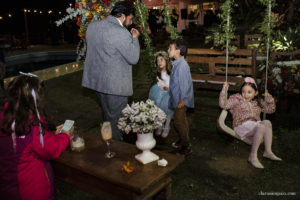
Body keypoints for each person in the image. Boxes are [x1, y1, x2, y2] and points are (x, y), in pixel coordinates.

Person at [0, 73, 73, 199]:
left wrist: (50, 133)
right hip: (31, 190)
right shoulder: (31, 127)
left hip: (7, 185)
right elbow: (51, 149)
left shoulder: (5, 118)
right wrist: (65, 136)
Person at [82, 1, 140, 141]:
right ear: (123, 16)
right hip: (115, 87)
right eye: (130, 19)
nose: (130, 23)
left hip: (97, 83)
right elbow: (133, 58)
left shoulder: (92, 26)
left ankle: (107, 141)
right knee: (117, 122)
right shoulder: (121, 32)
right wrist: (135, 39)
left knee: (108, 115)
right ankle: (114, 150)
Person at [219, 77, 282, 169]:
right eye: (243, 91)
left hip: (254, 127)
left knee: (267, 122)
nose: (246, 94)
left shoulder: (257, 103)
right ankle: (252, 156)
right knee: (261, 127)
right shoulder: (237, 99)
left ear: (255, 93)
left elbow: (271, 110)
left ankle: (268, 151)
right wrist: (224, 90)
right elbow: (223, 104)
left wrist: (269, 99)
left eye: (249, 92)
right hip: (241, 126)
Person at [168, 39, 194, 156]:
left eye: (170, 48)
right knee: (181, 120)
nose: (168, 50)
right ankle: (182, 139)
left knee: (179, 122)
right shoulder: (177, 63)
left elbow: (184, 84)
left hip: (181, 100)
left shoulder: (182, 66)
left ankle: (186, 145)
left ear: (178, 51)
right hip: (178, 98)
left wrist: (182, 100)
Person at [149, 51, 173, 138]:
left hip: (169, 93)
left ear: (166, 60)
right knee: (158, 108)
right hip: (160, 91)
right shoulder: (159, 72)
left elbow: (173, 83)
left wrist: (168, 88)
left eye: (161, 60)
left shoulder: (170, 72)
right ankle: (160, 125)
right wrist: (161, 86)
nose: (159, 62)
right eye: (158, 60)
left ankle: (167, 126)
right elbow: (160, 82)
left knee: (167, 108)